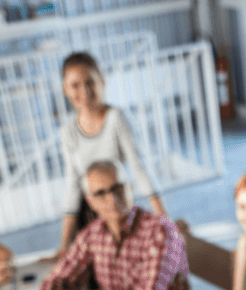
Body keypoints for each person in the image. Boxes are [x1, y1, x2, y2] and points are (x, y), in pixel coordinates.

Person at [37, 160, 192, 290]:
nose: (112, 199)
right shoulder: (93, 233)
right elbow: (60, 277)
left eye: (117, 188)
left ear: (128, 188)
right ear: (91, 202)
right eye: (100, 193)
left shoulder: (161, 232)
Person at [55, 51, 166, 258]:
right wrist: (63, 245)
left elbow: (139, 167)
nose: (85, 91)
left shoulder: (116, 118)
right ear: (65, 89)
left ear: (102, 81)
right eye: (75, 85)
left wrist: (165, 221)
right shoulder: (68, 132)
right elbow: (73, 184)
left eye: (90, 82)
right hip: (88, 217)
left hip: (118, 209)